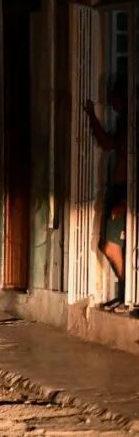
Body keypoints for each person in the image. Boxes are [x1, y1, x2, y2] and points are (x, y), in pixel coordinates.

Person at [86, 78, 130, 310]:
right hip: (118, 189)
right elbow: (107, 143)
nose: (111, 101)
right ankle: (127, 292)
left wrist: (126, 201)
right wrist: (91, 116)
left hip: (124, 192)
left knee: (111, 246)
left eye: (114, 96)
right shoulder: (124, 124)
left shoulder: (132, 126)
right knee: (113, 245)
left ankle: (129, 292)